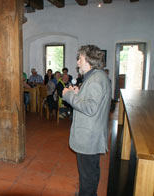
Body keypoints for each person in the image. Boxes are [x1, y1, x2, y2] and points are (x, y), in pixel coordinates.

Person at [62, 45, 111, 196]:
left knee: (87, 175)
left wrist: (68, 95)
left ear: (89, 60)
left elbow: (90, 108)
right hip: (91, 134)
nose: (77, 63)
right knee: (90, 172)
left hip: (89, 136)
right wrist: (78, 93)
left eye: (80, 59)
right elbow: (91, 100)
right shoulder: (97, 76)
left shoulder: (96, 79)